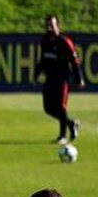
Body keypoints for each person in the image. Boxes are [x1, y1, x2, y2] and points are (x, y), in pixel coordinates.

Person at [35, 14, 85, 145]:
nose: (49, 28)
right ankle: (71, 123)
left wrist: (78, 79)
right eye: (47, 25)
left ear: (58, 26)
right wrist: (36, 74)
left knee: (61, 107)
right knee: (48, 109)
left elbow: (74, 61)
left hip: (62, 79)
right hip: (49, 79)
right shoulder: (45, 41)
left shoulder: (64, 42)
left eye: (52, 25)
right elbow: (43, 60)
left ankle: (62, 136)